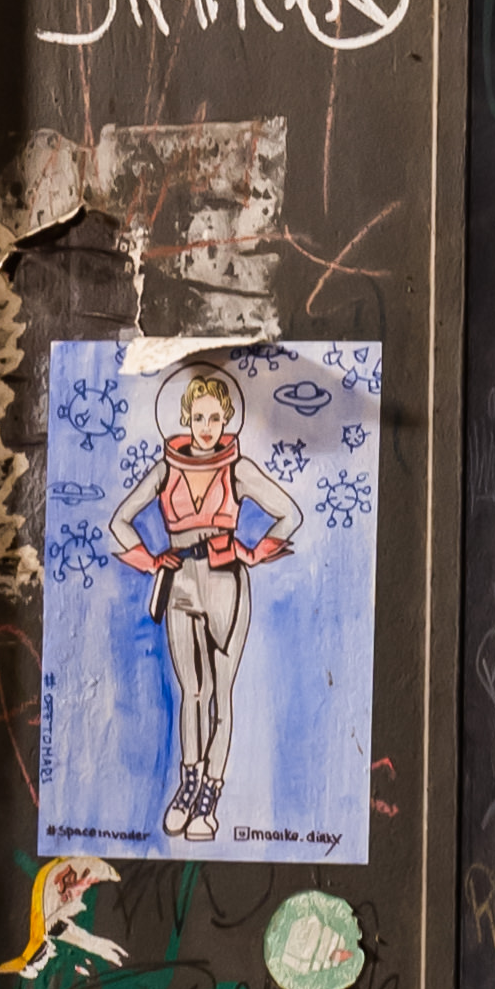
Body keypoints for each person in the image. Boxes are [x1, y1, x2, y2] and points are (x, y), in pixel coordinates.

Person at [111, 355, 298, 842]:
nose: (208, 427)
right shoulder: (165, 470)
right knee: (191, 693)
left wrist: (251, 553)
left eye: (216, 418)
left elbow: (289, 514)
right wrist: (153, 561)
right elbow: (119, 522)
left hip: (226, 585)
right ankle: (187, 785)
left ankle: (210, 795)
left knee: (220, 696)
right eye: (199, 417)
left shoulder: (238, 470)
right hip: (180, 586)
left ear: (227, 420)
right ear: (186, 419)